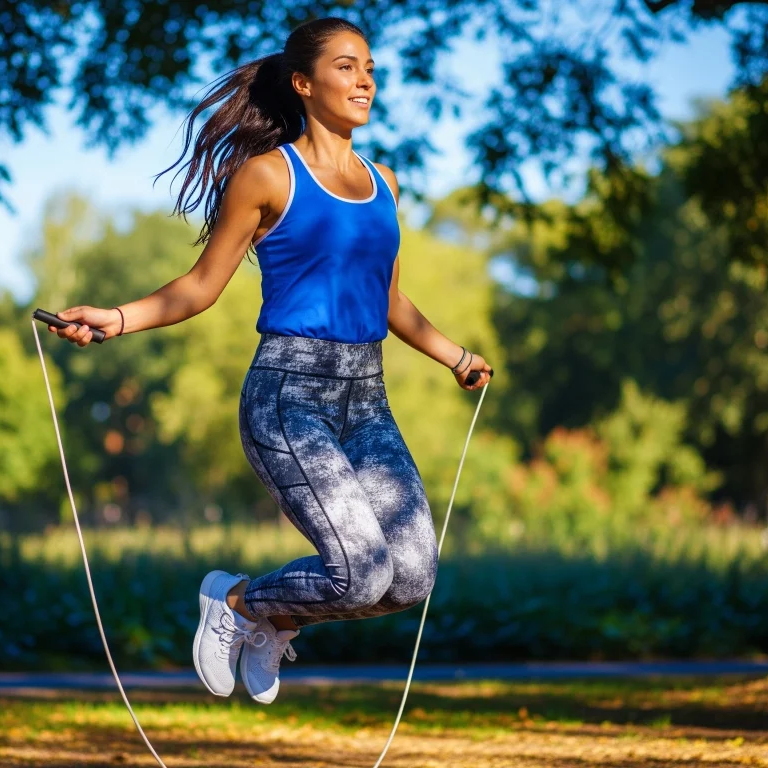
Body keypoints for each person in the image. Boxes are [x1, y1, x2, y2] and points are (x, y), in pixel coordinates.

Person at [48, 17, 492, 706]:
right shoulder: (267, 175)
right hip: (288, 397)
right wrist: (115, 319)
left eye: (370, 66)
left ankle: (274, 619)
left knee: (410, 579)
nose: (366, 79)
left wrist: (455, 356)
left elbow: (392, 301)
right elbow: (200, 287)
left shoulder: (386, 184)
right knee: (358, 573)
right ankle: (235, 600)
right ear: (303, 82)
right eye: (347, 66)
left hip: (366, 400)